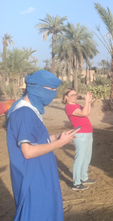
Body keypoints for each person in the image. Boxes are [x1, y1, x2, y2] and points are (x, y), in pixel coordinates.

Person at [6, 70, 77, 221]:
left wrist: (56, 137)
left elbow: (37, 140)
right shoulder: (24, 113)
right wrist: (59, 144)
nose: (53, 94)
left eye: (54, 90)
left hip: (41, 172)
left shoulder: (32, 110)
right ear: (36, 88)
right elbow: (28, 152)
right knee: (36, 213)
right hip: (33, 177)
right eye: (50, 89)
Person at [63, 89, 96, 190]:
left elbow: (88, 112)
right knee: (79, 159)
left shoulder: (76, 105)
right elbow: (83, 113)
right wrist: (86, 101)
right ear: (66, 97)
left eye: (75, 94)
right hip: (80, 135)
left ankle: (84, 177)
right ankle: (76, 183)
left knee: (87, 157)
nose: (74, 96)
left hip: (88, 133)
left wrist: (89, 101)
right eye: (71, 95)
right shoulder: (69, 107)